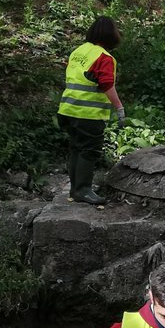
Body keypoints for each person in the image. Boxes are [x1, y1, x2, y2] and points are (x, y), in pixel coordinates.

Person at [57, 16, 125, 206]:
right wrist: (119, 107)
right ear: (111, 35)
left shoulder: (78, 52)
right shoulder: (104, 57)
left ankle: (75, 189)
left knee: (76, 150)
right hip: (87, 114)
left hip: (67, 110)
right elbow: (106, 85)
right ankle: (83, 190)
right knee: (89, 150)